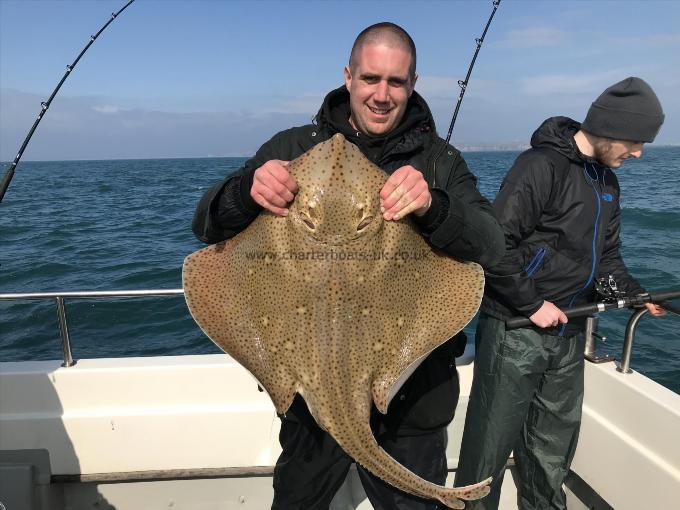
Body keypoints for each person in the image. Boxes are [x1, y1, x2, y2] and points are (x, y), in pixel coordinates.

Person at [192, 22, 504, 510]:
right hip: (306, 405)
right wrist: (245, 191)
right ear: (348, 77)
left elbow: (491, 245)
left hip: (411, 399)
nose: (382, 94)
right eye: (370, 78)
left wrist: (436, 206)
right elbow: (206, 228)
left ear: (413, 84)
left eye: (395, 82)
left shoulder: (439, 162)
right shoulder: (290, 147)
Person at [454, 76, 665, 509]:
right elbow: (495, 246)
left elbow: (607, 259)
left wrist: (638, 294)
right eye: (635, 140)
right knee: (487, 455)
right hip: (516, 332)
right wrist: (532, 304)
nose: (639, 152)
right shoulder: (539, 166)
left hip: (570, 334)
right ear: (611, 125)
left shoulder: (607, 182)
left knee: (551, 455)